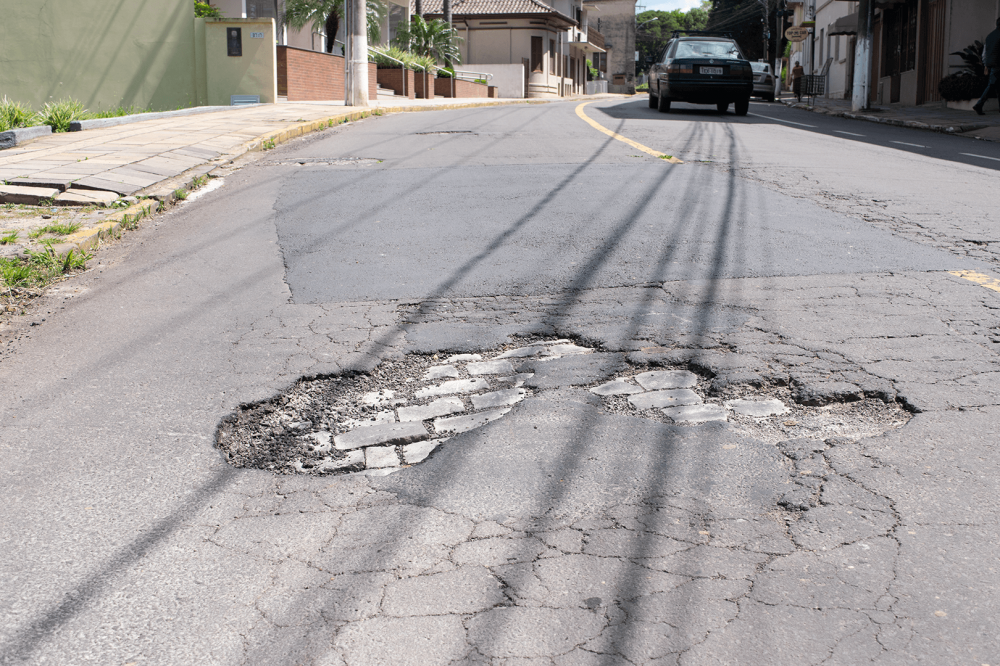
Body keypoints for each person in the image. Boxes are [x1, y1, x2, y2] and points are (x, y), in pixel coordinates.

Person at [973, 18, 1000, 115]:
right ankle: (978, 105)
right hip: (998, 64)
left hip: (990, 64)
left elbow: (985, 52)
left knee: (997, 86)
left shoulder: (990, 35)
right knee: (992, 85)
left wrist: (985, 64)